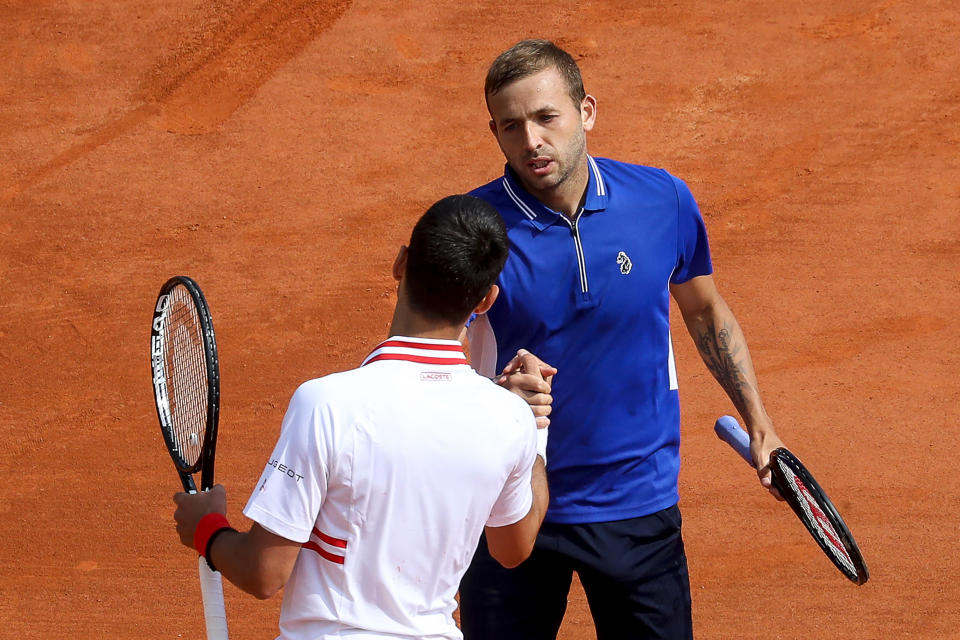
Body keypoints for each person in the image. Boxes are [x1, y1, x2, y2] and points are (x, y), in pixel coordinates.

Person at [458, 39, 787, 640]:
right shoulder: (468, 227)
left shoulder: (663, 200)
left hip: (637, 500)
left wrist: (759, 421)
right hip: (510, 503)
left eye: (546, 117)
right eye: (511, 126)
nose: (531, 140)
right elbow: (429, 350)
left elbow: (705, 311)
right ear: (494, 132)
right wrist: (491, 395)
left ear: (586, 112)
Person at [172, 194, 550, 640]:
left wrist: (206, 528)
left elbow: (264, 572)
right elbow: (513, 547)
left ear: (400, 263)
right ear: (486, 299)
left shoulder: (328, 403)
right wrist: (535, 429)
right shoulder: (508, 420)